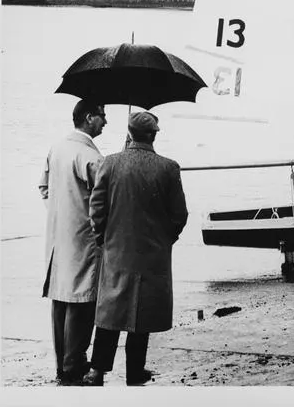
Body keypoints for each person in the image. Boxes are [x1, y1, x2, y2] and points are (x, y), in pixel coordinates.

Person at [83, 111, 188, 386]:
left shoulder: (110, 163)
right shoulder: (168, 167)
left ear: (129, 134)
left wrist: (102, 238)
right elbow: (179, 215)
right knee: (142, 313)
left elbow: (96, 208)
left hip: (117, 250)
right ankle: (134, 371)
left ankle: (97, 370)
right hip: (153, 253)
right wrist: (166, 239)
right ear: (154, 135)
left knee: (110, 311)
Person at [39, 100, 107, 385]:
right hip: (83, 238)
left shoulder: (58, 147)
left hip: (57, 237)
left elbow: (44, 187)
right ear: (89, 118)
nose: (105, 122)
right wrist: (95, 224)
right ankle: (72, 365)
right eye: (102, 117)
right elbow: (104, 198)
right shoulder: (89, 155)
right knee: (82, 300)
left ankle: (62, 363)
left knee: (60, 300)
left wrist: (61, 210)